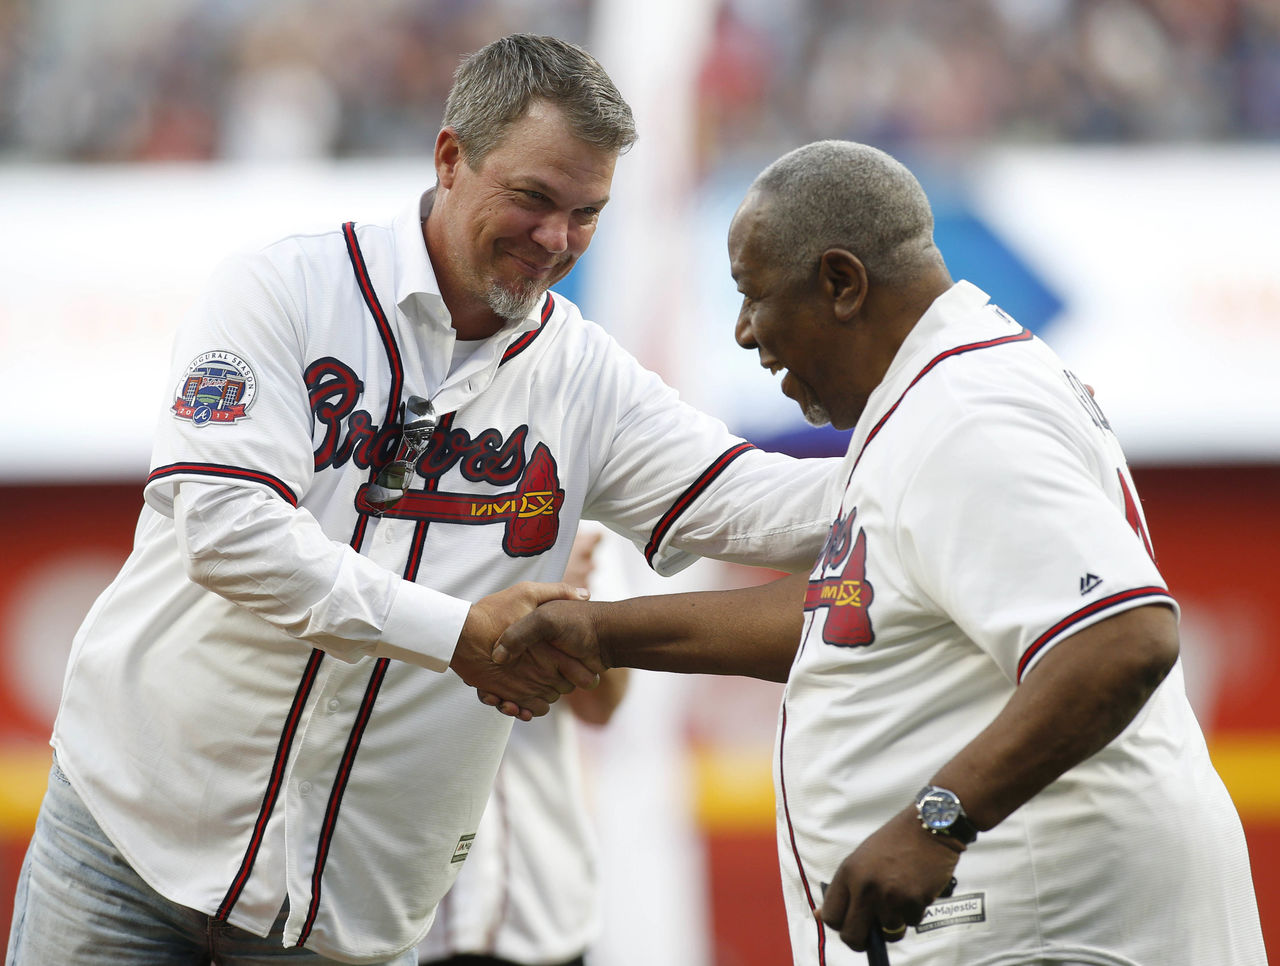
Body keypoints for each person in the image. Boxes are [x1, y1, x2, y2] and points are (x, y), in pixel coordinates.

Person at [4, 35, 839, 966]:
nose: (556, 238)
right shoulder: (283, 290)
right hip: (128, 840)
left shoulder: (585, 376)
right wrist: (458, 634)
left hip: (348, 909)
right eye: (532, 198)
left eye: (586, 213)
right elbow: (227, 530)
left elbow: (755, 502)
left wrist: (948, 438)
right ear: (450, 158)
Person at [486, 140, 1269, 965]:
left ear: (841, 283)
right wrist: (603, 632)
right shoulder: (930, 395)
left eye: (754, 297)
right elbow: (852, 610)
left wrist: (941, 817)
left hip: (1057, 926)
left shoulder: (964, 413)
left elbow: (1124, 636)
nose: (747, 331)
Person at [417, 526, 629, 966]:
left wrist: (556, 601)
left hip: (539, 895)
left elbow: (602, 703)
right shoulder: (355, 483)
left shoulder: (573, 497)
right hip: (391, 898)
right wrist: (512, 582)